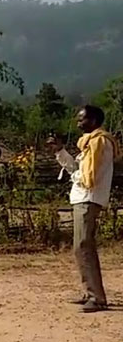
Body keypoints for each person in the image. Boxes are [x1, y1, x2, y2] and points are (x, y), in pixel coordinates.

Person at [51, 105, 117, 313]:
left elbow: (89, 176)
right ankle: (89, 292)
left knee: (83, 245)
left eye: (82, 119)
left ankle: (96, 297)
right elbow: (77, 168)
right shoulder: (89, 144)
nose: (78, 123)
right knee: (81, 246)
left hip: (88, 198)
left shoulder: (99, 143)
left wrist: (75, 176)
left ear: (94, 120)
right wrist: (60, 151)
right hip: (83, 197)